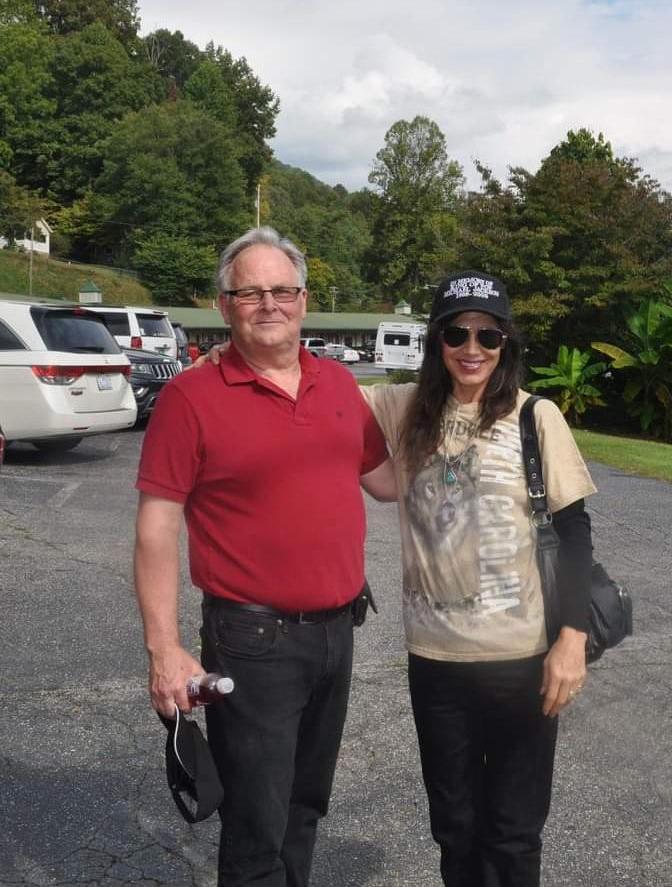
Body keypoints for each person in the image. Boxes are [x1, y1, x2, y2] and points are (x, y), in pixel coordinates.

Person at [133, 226, 395, 887]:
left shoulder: (338, 383)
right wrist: (164, 648)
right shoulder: (191, 398)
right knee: (257, 824)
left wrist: (466, 435)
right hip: (252, 642)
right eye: (250, 292)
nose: (269, 303)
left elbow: (388, 481)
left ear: (304, 300)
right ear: (224, 306)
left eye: (282, 289)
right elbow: (157, 528)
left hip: (338, 632)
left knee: (304, 807)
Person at [362, 271, 597, 887]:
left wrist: (571, 640)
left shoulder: (535, 417)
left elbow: (575, 534)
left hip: (521, 660)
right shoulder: (404, 408)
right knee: (455, 827)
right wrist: (237, 353)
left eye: (488, 335)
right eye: (457, 333)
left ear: (505, 343)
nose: (472, 348)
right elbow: (314, 393)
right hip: (435, 660)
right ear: (437, 340)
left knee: (514, 831)